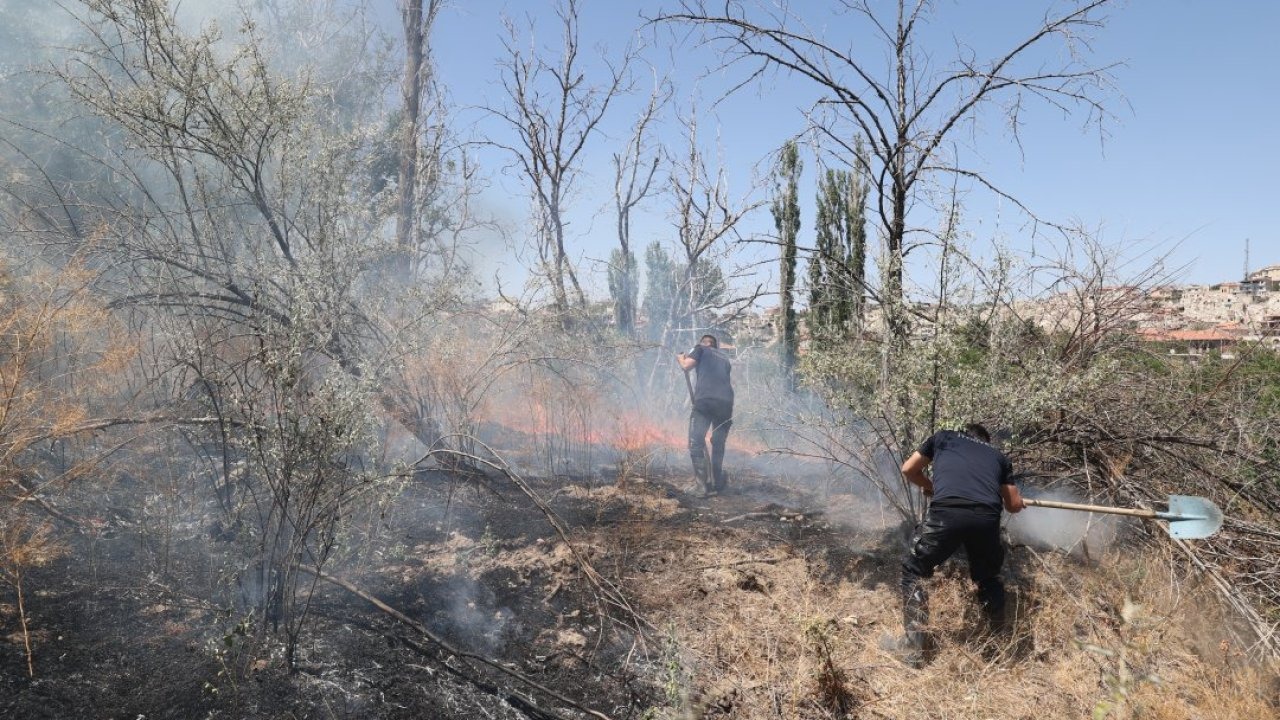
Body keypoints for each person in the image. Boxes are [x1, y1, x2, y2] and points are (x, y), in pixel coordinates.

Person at [894, 422, 1025, 667]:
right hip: (986, 518)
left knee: (914, 569)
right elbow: (1013, 505)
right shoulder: (998, 456)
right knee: (988, 578)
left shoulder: (944, 438)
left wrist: (932, 487)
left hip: (947, 513)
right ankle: (996, 649)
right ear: (985, 441)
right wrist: (1018, 502)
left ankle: (914, 650)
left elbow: (909, 469)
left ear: (964, 433)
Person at [677, 334, 734, 497]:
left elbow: (686, 366)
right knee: (718, 442)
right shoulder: (725, 358)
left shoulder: (701, 349)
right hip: (726, 403)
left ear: (705, 343)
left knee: (696, 441)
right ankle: (717, 482)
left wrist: (681, 358)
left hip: (706, 401)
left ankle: (701, 486)